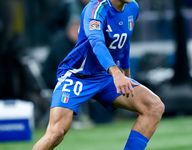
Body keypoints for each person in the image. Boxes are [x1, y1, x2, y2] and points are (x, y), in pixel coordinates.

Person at [32, 0, 165, 149]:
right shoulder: (95, 9)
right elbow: (97, 42)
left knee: (154, 106)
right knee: (56, 132)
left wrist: (126, 72)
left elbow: (124, 40)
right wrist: (116, 73)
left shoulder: (132, 7)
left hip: (104, 75)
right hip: (78, 75)